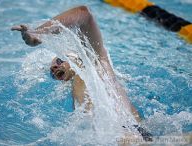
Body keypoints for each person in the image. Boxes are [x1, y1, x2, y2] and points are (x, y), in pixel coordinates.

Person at [11, 6, 153, 141]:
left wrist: (38, 35)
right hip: (121, 134)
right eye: (52, 69)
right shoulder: (79, 90)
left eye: (59, 61)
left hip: (126, 133)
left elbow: (84, 14)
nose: (54, 67)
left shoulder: (95, 64)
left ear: (75, 58)